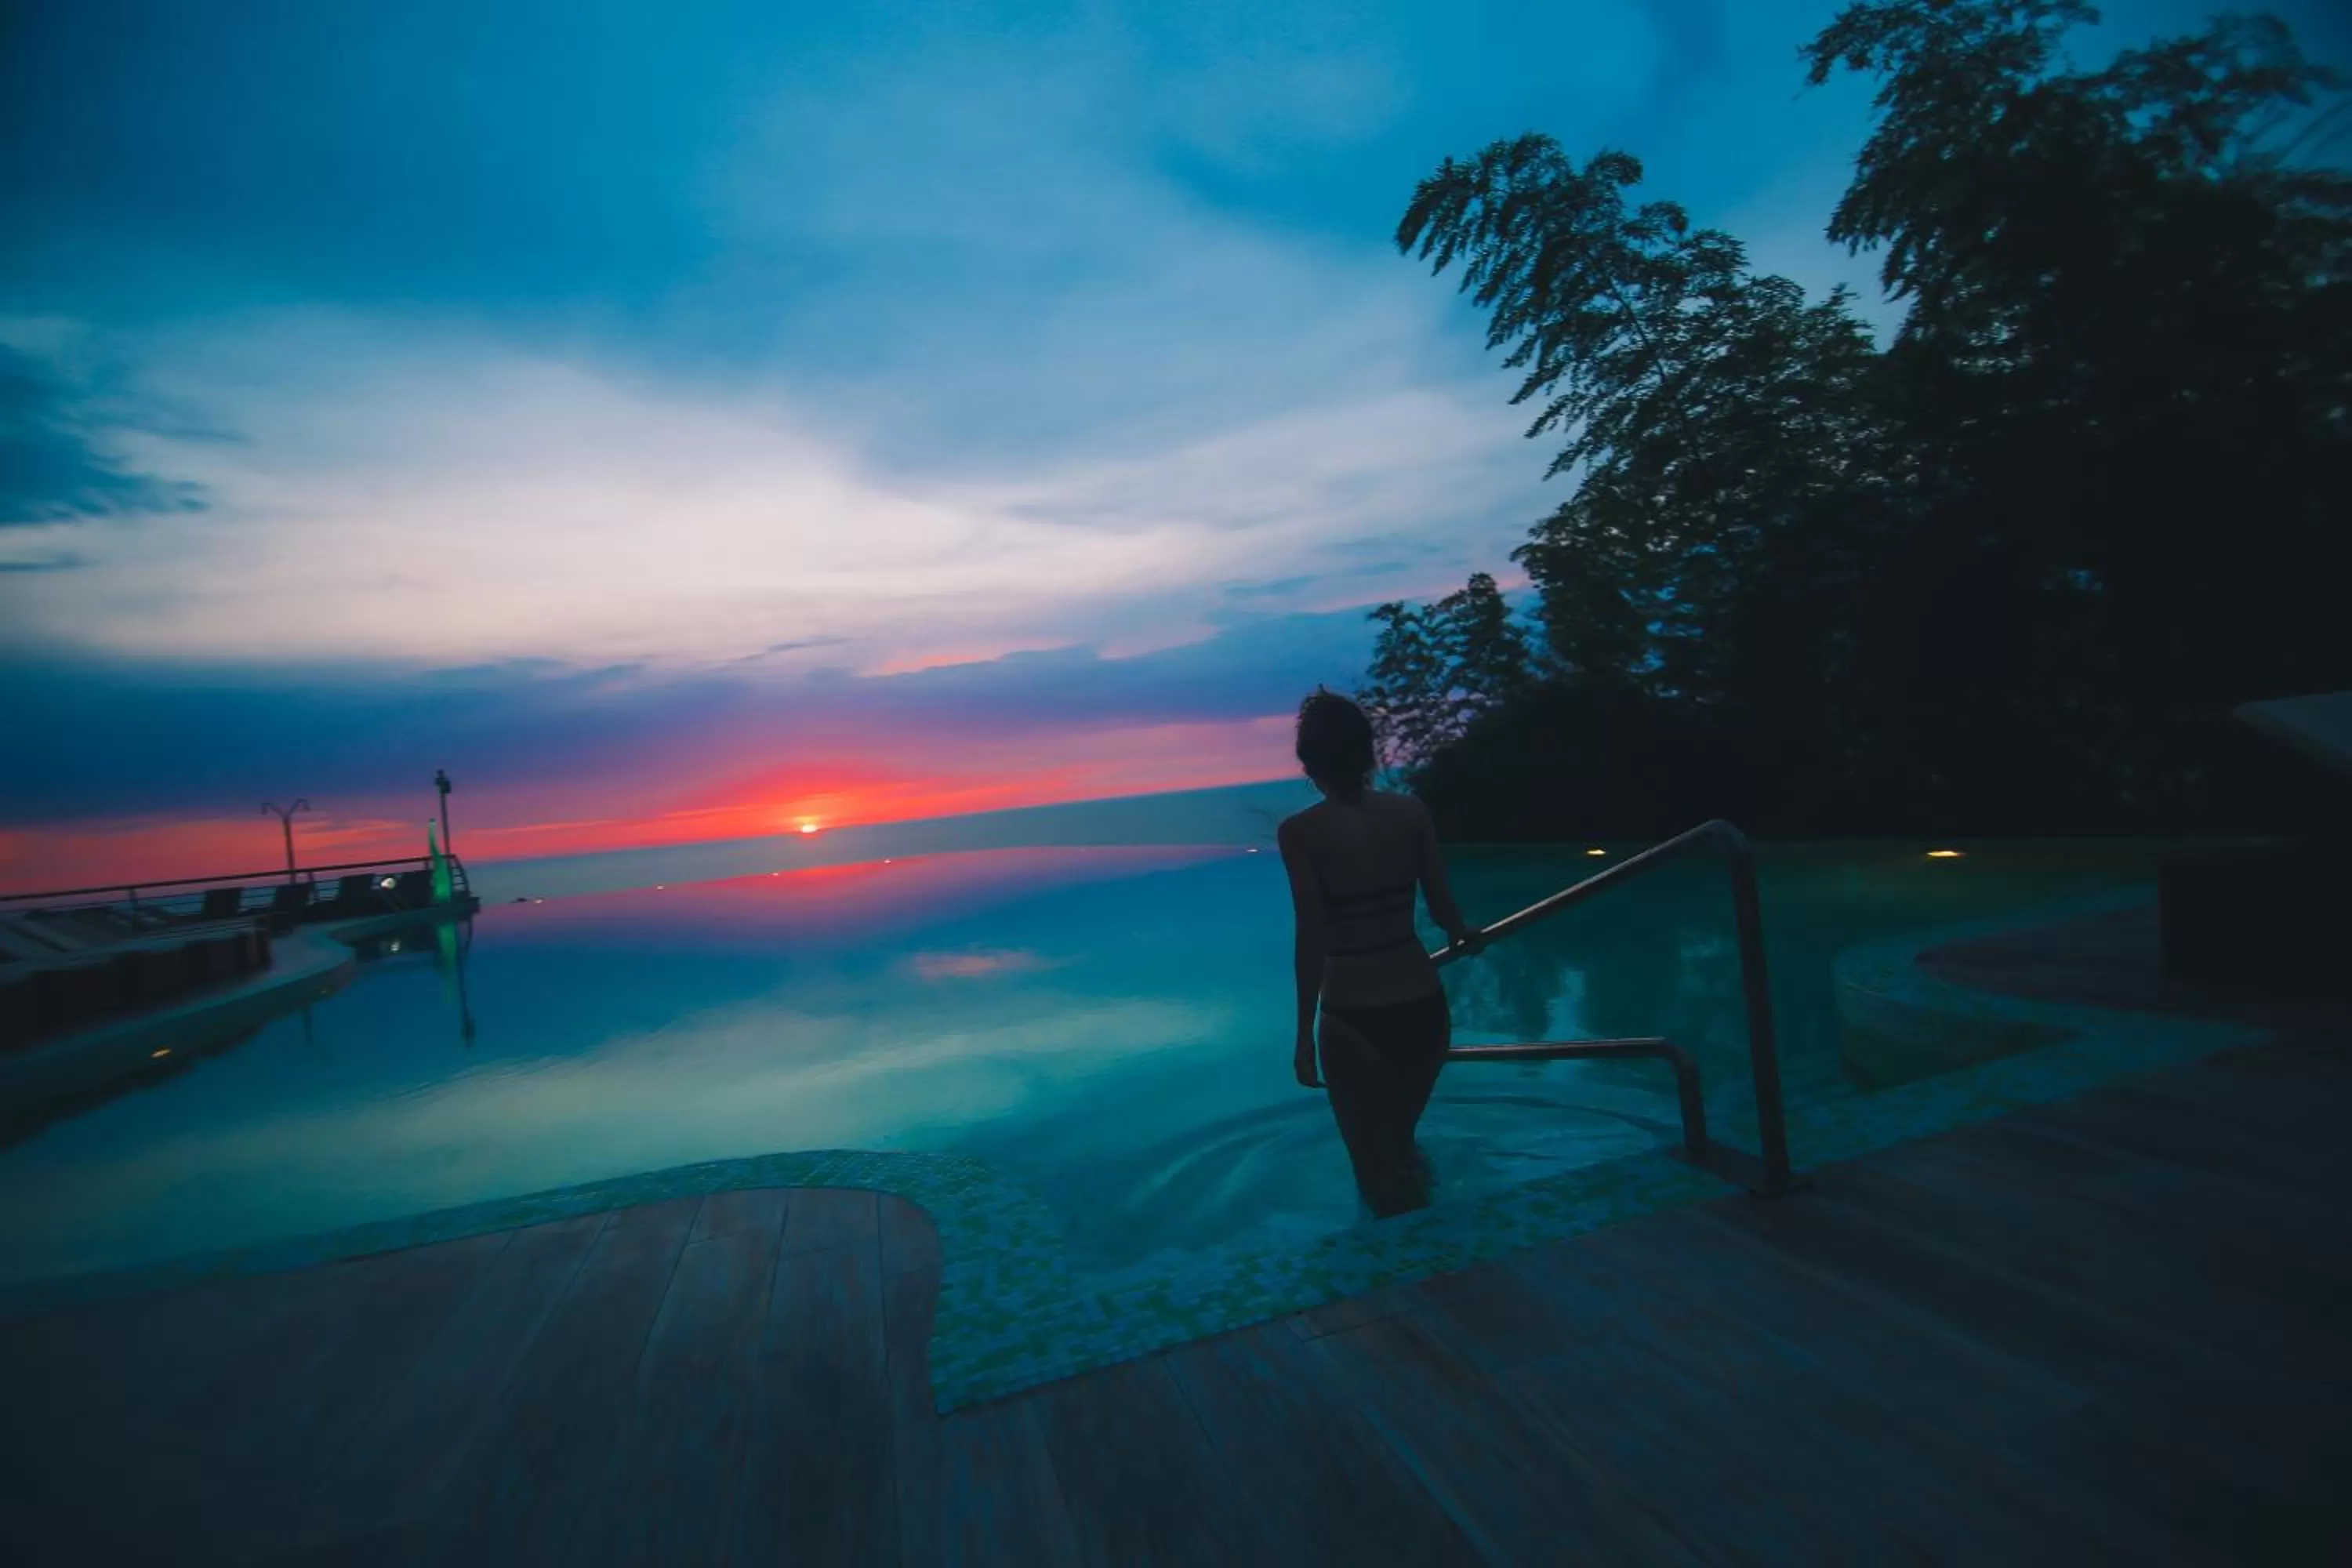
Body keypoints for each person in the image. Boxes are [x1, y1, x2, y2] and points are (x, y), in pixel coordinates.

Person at [1277, 687, 1483, 1218]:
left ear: (1308, 761)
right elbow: (1443, 909)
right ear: (1368, 754)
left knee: (1375, 1174)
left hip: (1354, 1016)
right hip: (1423, 1005)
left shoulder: (1301, 834)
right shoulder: (1410, 813)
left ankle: (1408, 1287)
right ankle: (1450, 1270)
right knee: (1401, 1148)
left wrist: (1303, 1036)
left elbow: (1313, 935)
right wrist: (1466, 932)